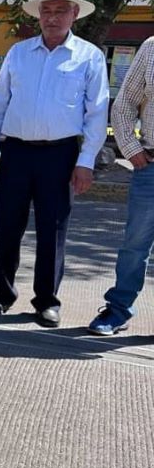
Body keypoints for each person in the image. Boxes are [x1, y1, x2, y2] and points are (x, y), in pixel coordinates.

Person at [0, 0, 109, 327]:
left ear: (74, 14)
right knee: (7, 225)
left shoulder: (89, 57)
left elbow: (97, 114)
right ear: (39, 15)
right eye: (46, 11)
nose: (52, 18)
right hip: (17, 152)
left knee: (53, 229)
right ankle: (1, 294)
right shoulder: (18, 53)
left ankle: (47, 301)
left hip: (60, 154)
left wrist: (85, 162)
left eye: (60, 11)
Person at [87, 37, 154, 335]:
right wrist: (131, 149)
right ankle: (118, 310)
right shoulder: (152, 48)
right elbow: (125, 102)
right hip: (151, 166)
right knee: (135, 245)